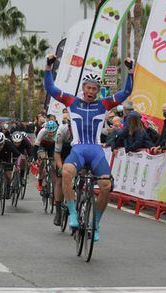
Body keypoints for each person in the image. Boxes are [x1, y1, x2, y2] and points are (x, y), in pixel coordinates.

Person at [44, 53, 134, 241]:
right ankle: (73, 214)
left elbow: (126, 93)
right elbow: (51, 88)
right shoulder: (71, 102)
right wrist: (48, 67)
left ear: (98, 90)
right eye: (88, 88)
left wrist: (130, 71)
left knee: (106, 185)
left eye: (94, 88)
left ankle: (96, 222)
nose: (91, 91)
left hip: (95, 150)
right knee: (67, 173)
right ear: (83, 88)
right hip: (78, 149)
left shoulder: (104, 104)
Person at [53, 120, 73, 226]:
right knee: (60, 180)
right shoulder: (61, 131)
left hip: (76, 153)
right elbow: (57, 154)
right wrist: (61, 168)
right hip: (62, 153)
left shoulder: (82, 131)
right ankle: (58, 212)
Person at [33, 120, 58, 192]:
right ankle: (40, 178)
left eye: (53, 132)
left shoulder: (58, 133)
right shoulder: (42, 132)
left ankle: (54, 180)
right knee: (43, 159)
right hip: (42, 145)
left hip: (52, 147)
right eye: (49, 132)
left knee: (54, 164)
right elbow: (36, 146)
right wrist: (35, 158)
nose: (51, 134)